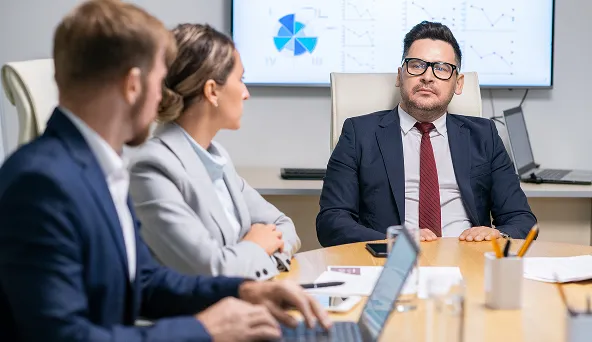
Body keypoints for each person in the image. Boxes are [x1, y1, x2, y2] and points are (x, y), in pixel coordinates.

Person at [0, 1, 329, 341]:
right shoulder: (41, 183)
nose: (165, 98)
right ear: (133, 85)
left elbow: (143, 282)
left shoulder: (99, 168)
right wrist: (205, 329)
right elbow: (65, 337)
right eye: (160, 81)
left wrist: (243, 291)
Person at [316, 21, 536, 247]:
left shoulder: (484, 135)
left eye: (441, 68)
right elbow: (331, 222)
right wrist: (390, 240)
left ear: (458, 84)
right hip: (390, 261)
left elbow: (521, 219)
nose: (427, 77)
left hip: (468, 261)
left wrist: (498, 235)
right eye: (417, 65)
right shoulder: (359, 134)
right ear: (400, 76)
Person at [128, 23, 300, 280]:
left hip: (243, 304)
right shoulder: (152, 167)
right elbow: (209, 269)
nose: (246, 93)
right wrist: (255, 246)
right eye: (240, 79)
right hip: (196, 316)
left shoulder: (216, 156)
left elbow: (285, 227)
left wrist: (256, 255)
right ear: (211, 91)